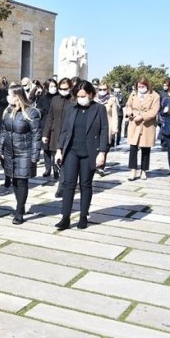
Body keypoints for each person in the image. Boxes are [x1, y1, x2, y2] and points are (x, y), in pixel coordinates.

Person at [54, 80, 109, 230]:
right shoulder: (72, 109)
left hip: (90, 152)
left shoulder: (99, 109)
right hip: (72, 150)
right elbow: (64, 130)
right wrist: (59, 149)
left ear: (90, 94)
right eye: (78, 96)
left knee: (85, 184)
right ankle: (65, 217)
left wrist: (102, 152)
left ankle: (83, 216)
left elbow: (104, 131)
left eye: (83, 95)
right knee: (68, 184)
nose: (80, 98)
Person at [0, 84, 41, 224]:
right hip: (10, 152)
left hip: (24, 152)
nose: (8, 97)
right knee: (14, 180)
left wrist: (35, 156)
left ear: (17, 96)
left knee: (22, 181)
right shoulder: (8, 111)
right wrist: (0, 150)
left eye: (10, 94)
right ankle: (19, 205)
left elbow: (36, 135)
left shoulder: (31, 112)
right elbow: (3, 132)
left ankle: (19, 210)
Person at [41, 77, 73, 196]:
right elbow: (50, 117)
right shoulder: (55, 99)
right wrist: (45, 134)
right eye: (61, 88)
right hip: (55, 133)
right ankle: (62, 181)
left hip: (68, 135)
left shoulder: (73, 100)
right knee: (57, 160)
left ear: (70, 88)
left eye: (65, 89)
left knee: (66, 161)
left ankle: (62, 187)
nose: (63, 90)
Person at [125, 77, 160, 181]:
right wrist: (129, 112)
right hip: (134, 123)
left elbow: (154, 111)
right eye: (139, 86)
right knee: (133, 147)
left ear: (147, 86)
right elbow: (128, 105)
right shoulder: (133, 94)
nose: (141, 88)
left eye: (143, 86)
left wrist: (143, 116)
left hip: (147, 124)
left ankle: (144, 170)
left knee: (145, 148)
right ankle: (133, 170)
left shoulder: (155, 96)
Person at [94, 81, 119, 176]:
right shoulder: (94, 98)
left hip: (107, 125)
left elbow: (115, 115)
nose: (102, 91)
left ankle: (101, 167)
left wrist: (114, 128)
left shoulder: (112, 99)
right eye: (100, 89)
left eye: (104, 89)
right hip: (95, 125)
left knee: (104, 146)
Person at [35, 78, 56, 177]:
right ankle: (48, 169)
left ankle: (56, 169)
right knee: (46, 148)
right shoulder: (42, 98)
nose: (54, 88)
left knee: (55, 148)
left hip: (56, 125)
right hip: (45, 124)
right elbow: (38, 111)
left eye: (55, 86)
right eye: (51, 86)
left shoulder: (59, 97)